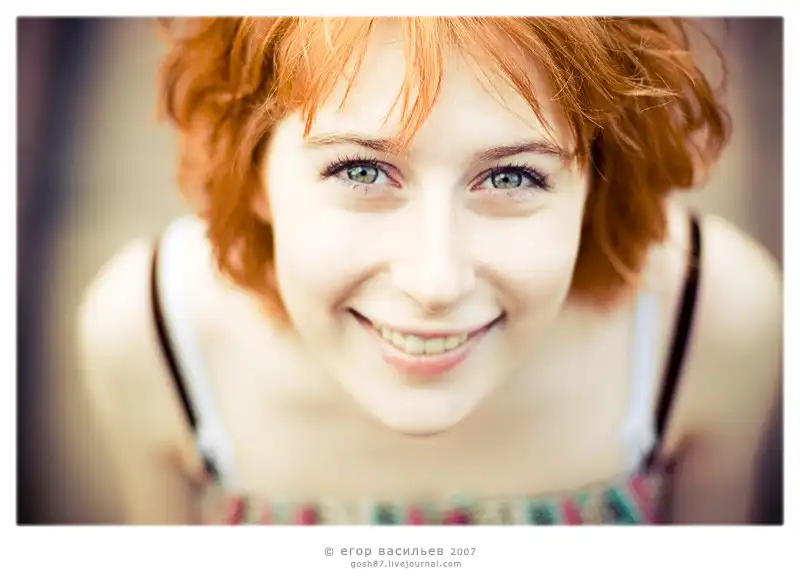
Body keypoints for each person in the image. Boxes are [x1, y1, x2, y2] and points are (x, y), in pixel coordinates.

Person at [77, 17, 782, 525]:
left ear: (598, 181)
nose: (436, 282)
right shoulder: (155, 335)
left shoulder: (704, 321)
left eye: (510, 177)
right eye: (361, 170)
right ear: (253, 168)